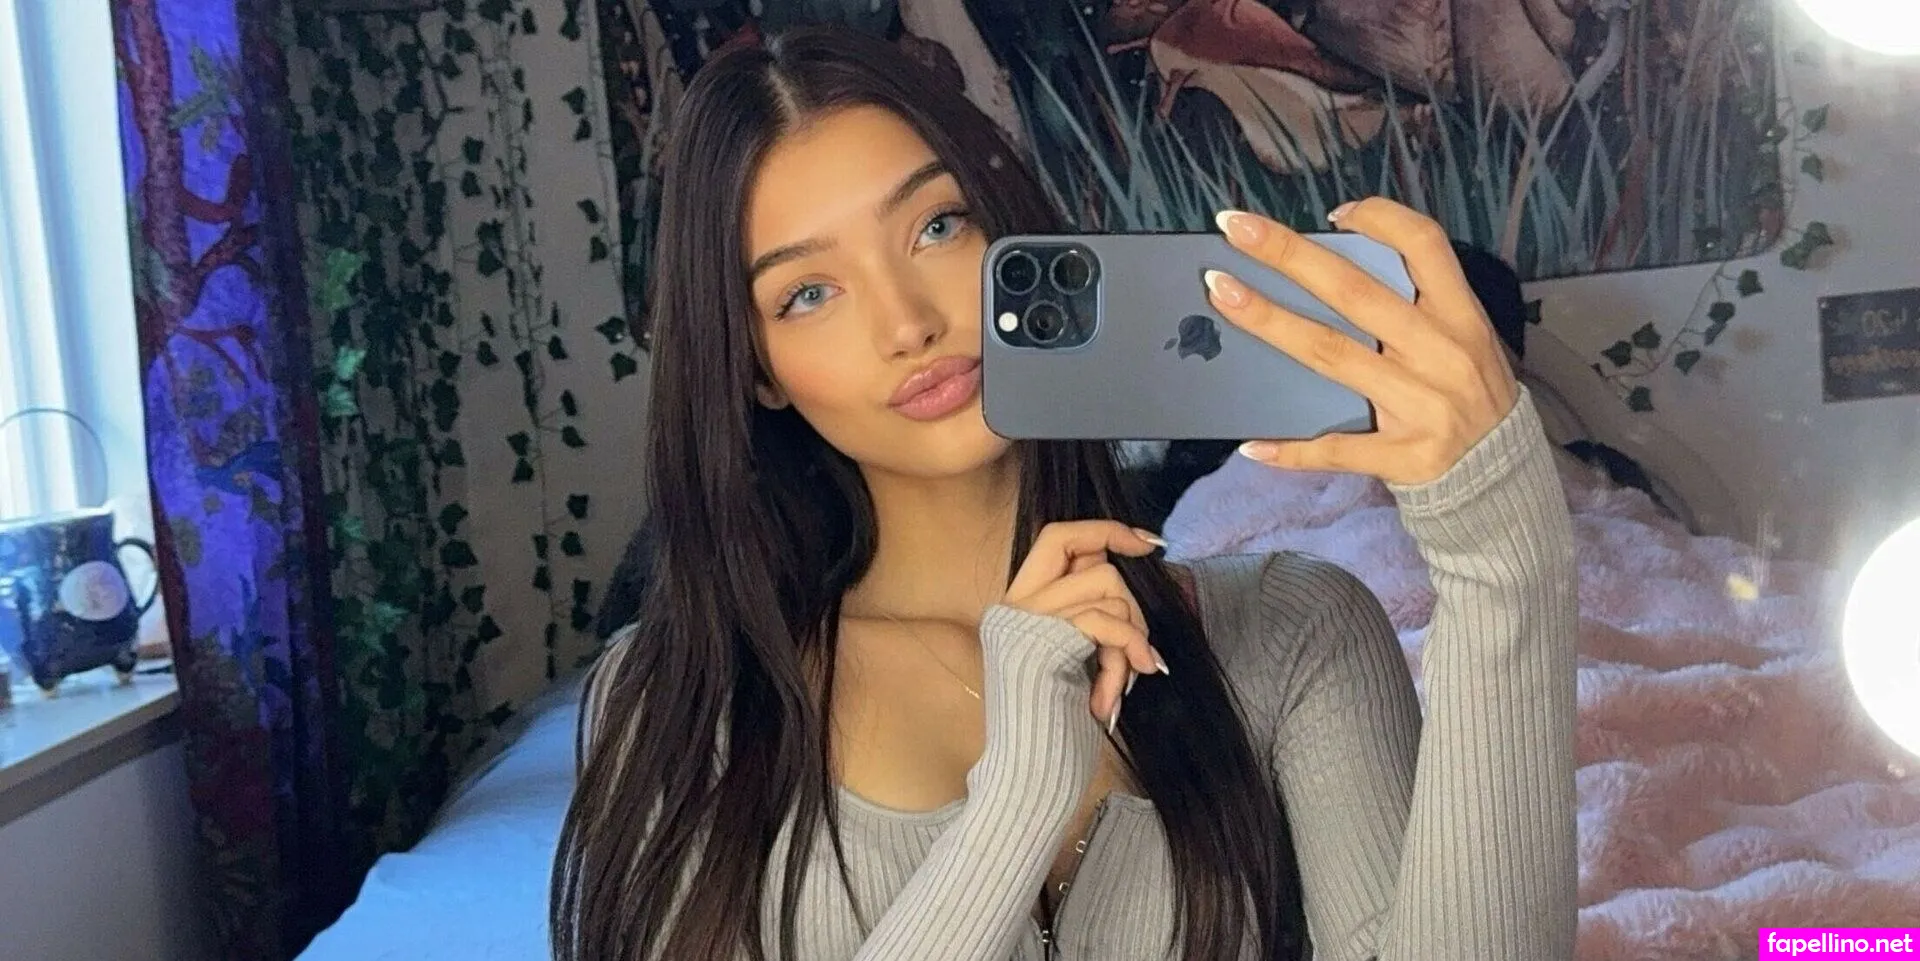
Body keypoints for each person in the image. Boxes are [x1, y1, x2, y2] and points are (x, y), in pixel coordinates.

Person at [552, 25, 1577, 961]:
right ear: (759, 370)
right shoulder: (678, 700)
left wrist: (1503, 557)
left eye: (938, 226)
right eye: (807, 293)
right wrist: (1014, 804)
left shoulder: (1296, 633)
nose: (906, 322)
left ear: (1016, 231)